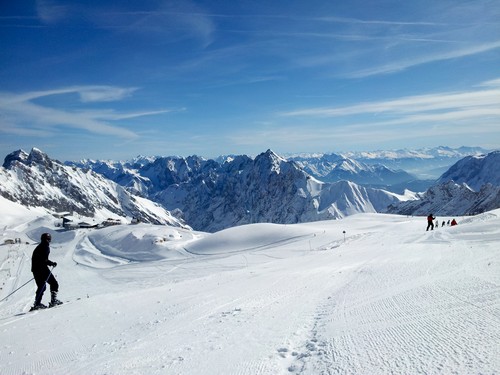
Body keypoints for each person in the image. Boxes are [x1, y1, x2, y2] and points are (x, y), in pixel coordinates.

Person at [31, 233, 62, 310]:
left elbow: (41, 259)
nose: (48, 241)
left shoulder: (40, 246)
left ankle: (37, 303)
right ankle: (53, 301)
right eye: (48, 239)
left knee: (42, 286)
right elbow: (44, 260)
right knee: (54, 283)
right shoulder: (45, 247)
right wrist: (51, 263)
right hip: (42, 268)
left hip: (35, 269)